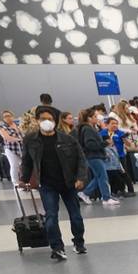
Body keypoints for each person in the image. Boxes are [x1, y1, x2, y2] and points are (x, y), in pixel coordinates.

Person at [19, 105, 91, 261]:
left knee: (76, 216)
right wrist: (23, 179)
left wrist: (81, 178)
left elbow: (81, 160)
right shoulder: (30, 140)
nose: (47, 122)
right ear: (37, 121)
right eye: (43, 119)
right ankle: (57, 247)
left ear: (55, 122)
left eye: (50, 119)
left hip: (69, 183)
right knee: (51, 217)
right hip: (46, 184)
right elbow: (26, 161)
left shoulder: (68, 139)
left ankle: (79, 242)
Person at [76, 107, 117, 206]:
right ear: (89, 118)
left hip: (94, 156)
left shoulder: (89, 128)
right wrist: (104, 144)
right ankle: (106, 198)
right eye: (95, 116)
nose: (97, 118)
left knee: (99, 176)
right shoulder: (88, 129)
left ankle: (85, 193)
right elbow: (90, 145)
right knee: (103, 176)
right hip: (93, 156)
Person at [0, 110, 25, 184]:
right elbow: (7, 138)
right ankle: (16, 182)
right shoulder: (2, 127)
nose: (7, 118)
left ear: (12, 116)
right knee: (14, 165)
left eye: (8, 116)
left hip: (21, 148)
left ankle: (25, 181)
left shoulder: (18, 125)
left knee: (24, 165)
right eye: (5, 116)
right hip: (11, 149)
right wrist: (19, 139)